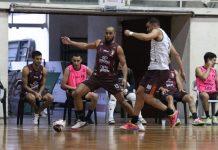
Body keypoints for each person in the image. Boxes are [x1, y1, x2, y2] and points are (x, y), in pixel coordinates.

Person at [61, 26, 135, 129]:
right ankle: (82, 120)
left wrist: (125, 78)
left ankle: (135, 122)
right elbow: (85, 45)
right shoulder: (99, 43)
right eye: (106, 33)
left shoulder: (117, 48)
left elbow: (124, 65)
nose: (108, 35)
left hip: (110, 79)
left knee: (122, 101)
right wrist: (71, 42)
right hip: (96, 77)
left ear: (114, 34)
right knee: (77, 93)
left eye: (110, 33)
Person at [120, 17, 186, 131]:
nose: (147, 29)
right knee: (140, 92)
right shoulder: (167, 39)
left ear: (154, 25)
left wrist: (130, 33)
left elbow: (146, 37)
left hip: (159, 72)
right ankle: (134, 122)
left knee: (146, 96)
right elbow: (176, 55)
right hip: (152, 70)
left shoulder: (157, 31)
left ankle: (171, 113)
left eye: (148, 27)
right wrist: (182, 71)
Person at [61, 54, 98, 124]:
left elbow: (95, 79)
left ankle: (88, 117)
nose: (76, 63)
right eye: (74, 61)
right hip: (72, 91)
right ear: (72, 61)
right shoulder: (68, 69)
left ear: (81, 60)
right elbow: (63, 85)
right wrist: (75, 88)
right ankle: (79, 117)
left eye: (78, 61)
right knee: (77, 93)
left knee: (95, 96)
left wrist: (92, 87)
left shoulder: (85, 68)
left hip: (84, 91)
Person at [22, 51, 54, 125]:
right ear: (33, 59)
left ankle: (37, 113)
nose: (39, 61)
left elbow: (43, 84)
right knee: (32, 98)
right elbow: (25, 86)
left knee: (51, 98)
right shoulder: (26, 69)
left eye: (40, 59)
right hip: (28, 90)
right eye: (37, 59)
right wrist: (34, 93)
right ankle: (38, 111)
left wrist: (39, 93)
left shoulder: (44, 70)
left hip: (39, 90)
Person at [195, 52, 218, 125]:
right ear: (208, 60)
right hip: (204, 91)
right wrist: (209, 68)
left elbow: (217, 82)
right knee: (205, 96)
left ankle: (215, 116)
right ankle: (208, 117)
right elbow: (204, 78)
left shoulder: (214, 71)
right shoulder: (198, 69)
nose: (215, 62)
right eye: (214, 60)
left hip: (214, 91)